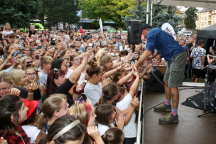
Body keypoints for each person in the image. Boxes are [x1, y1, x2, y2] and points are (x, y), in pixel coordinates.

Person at [135, 24, 187, 124]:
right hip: (172, 58)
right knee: (166, 81)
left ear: (144, 31)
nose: (144, 37)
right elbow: (160, 49)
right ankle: (167, 105)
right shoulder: (157, 31)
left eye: (143, 35)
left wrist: (137, 64)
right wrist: (155, 56)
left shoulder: (151, 34)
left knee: (173, 85)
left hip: (177, 56)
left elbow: (148, 51)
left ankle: (174, 115)